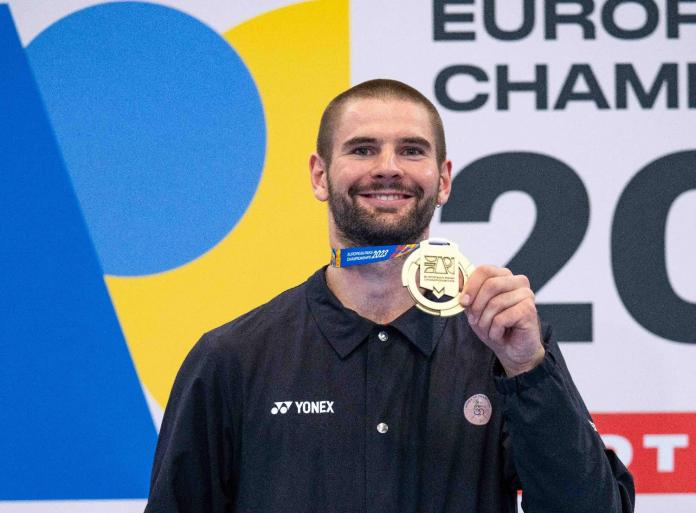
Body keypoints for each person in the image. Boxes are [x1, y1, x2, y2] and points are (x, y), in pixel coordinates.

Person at [144, 79, 635, 512]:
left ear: (442, 180)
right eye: (362, 149)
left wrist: (528, 370)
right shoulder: (231, 358)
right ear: (320, 175)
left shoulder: (504, 347)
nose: (388, 168)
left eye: (412, 150)